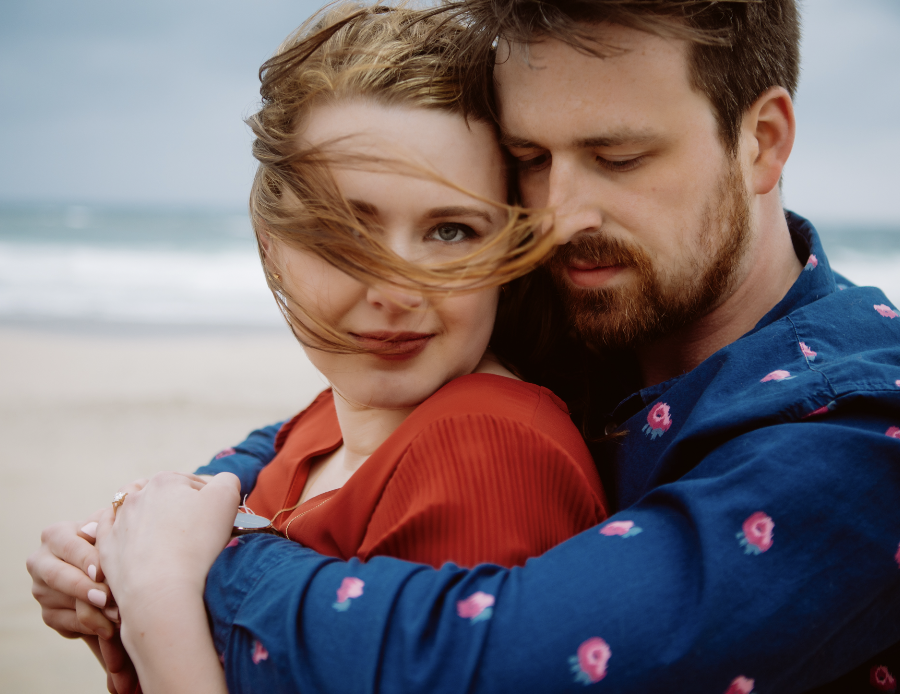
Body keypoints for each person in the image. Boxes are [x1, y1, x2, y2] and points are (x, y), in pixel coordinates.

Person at [32, 1, 900, 692]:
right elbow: (342, 422)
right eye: (528, 162)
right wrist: (143, 523)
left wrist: (191, 564)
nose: (558, 212)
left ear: (762, 141)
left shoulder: (877, 437)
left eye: (619, 156)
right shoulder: (583, 307)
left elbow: (500, 666)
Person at [27, 4, 609, 692]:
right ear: (272, 243)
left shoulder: (489, 450)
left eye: (451, 231)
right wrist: (108, 587)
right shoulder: (318, 427)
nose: (396, 289)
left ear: (505, 254)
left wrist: (158, 599)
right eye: (344, 232)